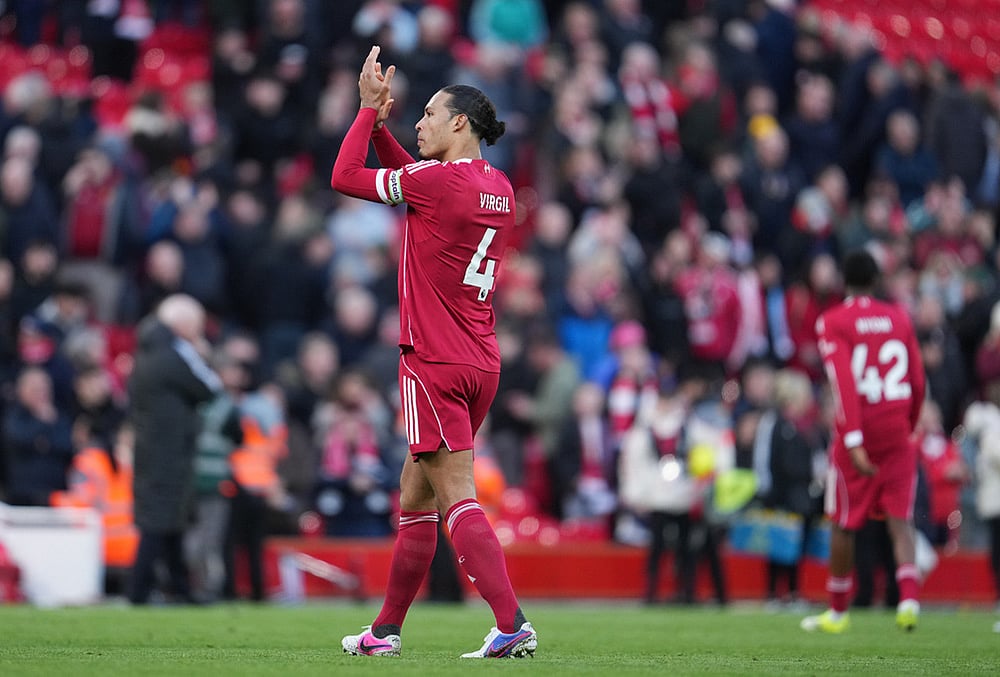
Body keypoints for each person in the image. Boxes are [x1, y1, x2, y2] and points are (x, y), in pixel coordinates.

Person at [330, 46, 536, 658]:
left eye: (427, 115)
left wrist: (367, 114)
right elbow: (419, 183)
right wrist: (388, 130)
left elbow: (344, 177)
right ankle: (384, 632)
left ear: (459, 124)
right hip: (480, 361)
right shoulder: (496, 185)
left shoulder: (437, 182)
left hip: (434, 360)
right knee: (415, 494)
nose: (416, 123)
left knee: (455, 494)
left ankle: (510, 623)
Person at [801, 249, 926, 633]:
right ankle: (908, 600)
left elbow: (844, 383)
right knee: (900, 521)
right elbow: (918, 381)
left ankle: (837, 612)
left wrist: (854, 439)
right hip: (897, 430)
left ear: (846, 282)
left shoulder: (834, 320)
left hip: (859, 431)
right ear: (876, 281)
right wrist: (910, 424)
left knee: (842, 522)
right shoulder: (898, 318)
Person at [127, 294, 221, 605]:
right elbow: (208, 388)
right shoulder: (174, 353)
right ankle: (138, 590)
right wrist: (202, 355)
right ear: (182, 323)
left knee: (169, 522)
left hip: (155, 447)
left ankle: (179, 587)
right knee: (158, 522)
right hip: (168, 451)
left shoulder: (149, 348)